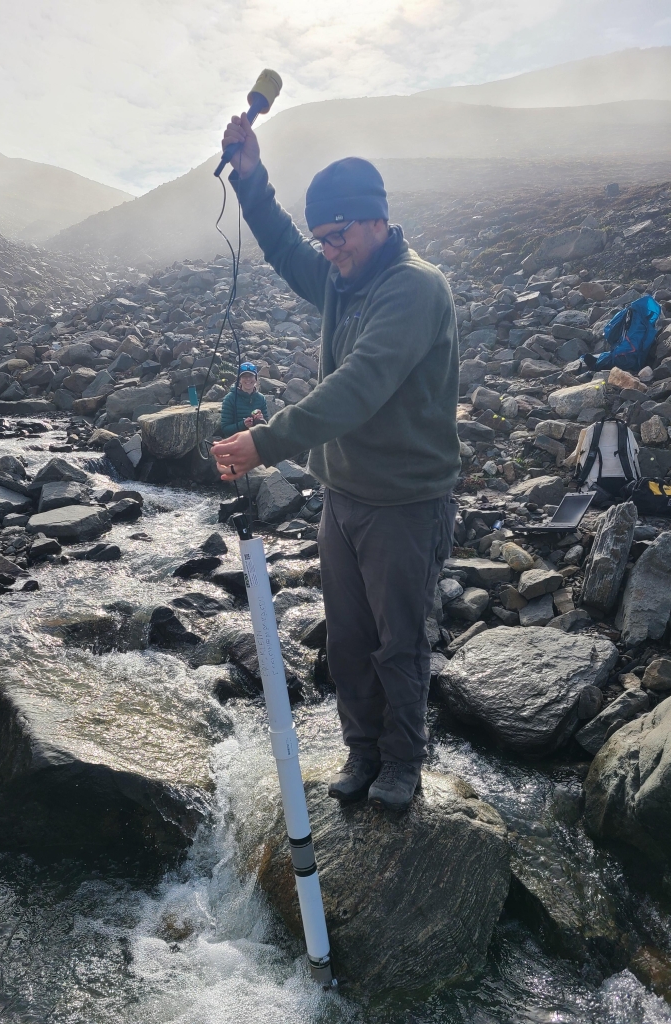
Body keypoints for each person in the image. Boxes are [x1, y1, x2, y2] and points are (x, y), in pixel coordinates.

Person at [210, 112, 460, 812]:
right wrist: (252, 180)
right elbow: (288, 251)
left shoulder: (415, 289)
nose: (328, 250)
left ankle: (404, 761)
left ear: (376, 221)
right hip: (344, 497)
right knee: (348, 640)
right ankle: (363, 750)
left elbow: (358, 390)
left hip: (406, 503)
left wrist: (263, 443)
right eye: (323, 238)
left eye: (338, 235)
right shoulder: (341, 278)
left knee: (398, 642)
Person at [220, 362, 269, 437]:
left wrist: (261, 420)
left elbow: (267, 426)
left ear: (255, 378)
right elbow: (225, 429)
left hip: (256, 441)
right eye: (244, 376)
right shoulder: (229, 399)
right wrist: (243, 424)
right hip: (236, 442)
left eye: (251, 376)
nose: (248, 379)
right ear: (239, 380)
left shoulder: (261, 398)